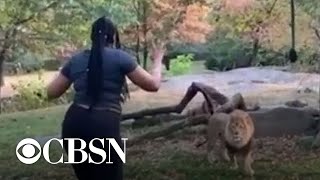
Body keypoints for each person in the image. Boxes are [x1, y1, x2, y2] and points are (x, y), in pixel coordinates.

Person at [46, 16, 166, 180]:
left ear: (92, 37)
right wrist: (158, 61)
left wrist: (68, 70)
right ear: (113, 36)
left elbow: (51, 92)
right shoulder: (120, 57)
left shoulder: (76, 60)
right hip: (103, 125)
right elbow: (153, 85)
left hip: (74, 124)